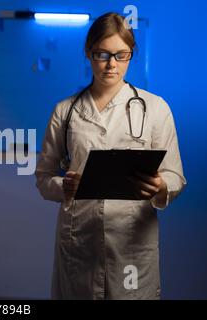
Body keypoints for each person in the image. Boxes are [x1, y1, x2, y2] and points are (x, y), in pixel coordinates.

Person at [35, 12, 186, 300]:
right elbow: (43, 178)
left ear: (132, 55)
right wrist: (62, 187)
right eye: (102, 54)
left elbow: (175, 175)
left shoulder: (156, 109)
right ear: (88, 53)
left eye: (121, 54)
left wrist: (161, 186)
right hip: (79, 244)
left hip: (131, 243)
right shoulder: (65, 111)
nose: (111, 64)